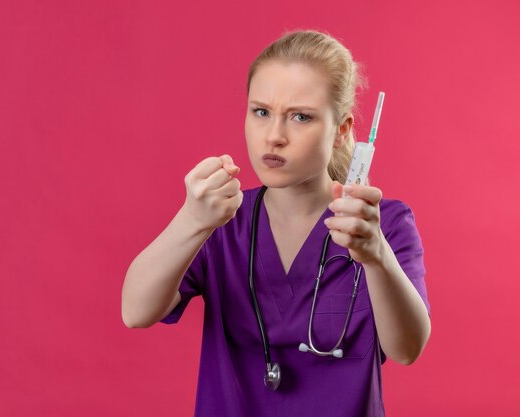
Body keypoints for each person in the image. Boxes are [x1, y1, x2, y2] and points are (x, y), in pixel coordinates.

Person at [122, 29, 431, 417]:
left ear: (343, 130)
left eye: (301, 117)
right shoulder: (221, 221)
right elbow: (135, 311)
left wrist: (377, 256)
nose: (274, 136)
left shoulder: (384, 225)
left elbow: (407, 349)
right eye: (261, 112)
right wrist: (191, 220)